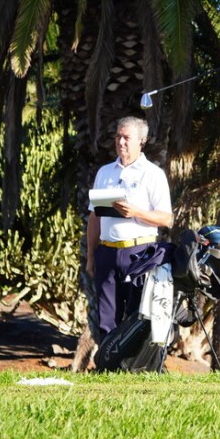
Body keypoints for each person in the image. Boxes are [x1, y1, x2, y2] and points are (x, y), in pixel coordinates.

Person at [86, 116, 173, 343]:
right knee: (106, 316)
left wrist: (135, 212)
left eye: (126, 137)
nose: (120, 142)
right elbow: (94, 218)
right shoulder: (104, 173)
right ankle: (109, 368)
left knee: (137, 315)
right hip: (106, 251)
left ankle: (132, 368)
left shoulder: (152, 174)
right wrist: (90, 256)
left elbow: (166, 218)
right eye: (117, 136)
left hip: (140, 252)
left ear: (141, 141)